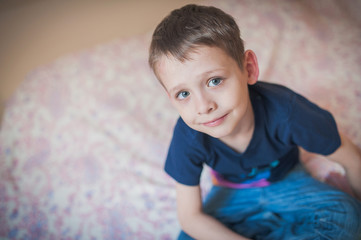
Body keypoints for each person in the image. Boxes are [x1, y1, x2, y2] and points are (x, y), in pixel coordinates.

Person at [148, 4, 361, 240]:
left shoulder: (287, 111)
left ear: (248, 68)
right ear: (171, 98)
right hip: (230, 194)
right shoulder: (188, 136)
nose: (203, 107)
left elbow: (351, 158)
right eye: (184, 94)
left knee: (346, 215)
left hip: (288, 181)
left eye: (215, 81)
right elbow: (190, 217)